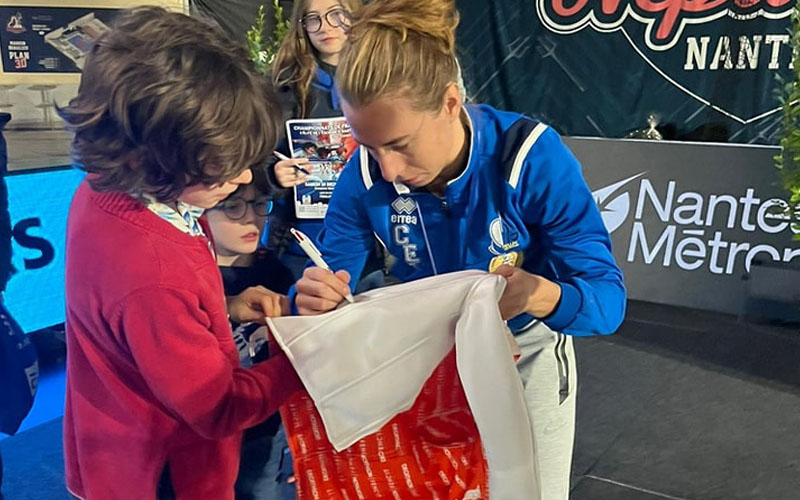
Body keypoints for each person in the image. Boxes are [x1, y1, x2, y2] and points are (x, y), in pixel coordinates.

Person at [292, 0, 627, 498]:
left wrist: (540, 296)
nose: (387, 171)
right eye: (368, 145)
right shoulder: (361, 175)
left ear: (451, 102)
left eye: (401, 144)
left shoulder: (528, 157)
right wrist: (315, 296)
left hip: (524, 353)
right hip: (420, 360)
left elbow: (607, 303)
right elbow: (327, 277)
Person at [59, 8, 303, 499]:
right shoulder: (152, 275)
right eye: (220, 170)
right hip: (166, 472)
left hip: (117, 442)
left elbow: (138, 327)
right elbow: (216, 408)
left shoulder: (106, 188)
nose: (239, 181)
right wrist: (305, 361)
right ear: (155, 156)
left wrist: (221, 310)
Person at [266, 0, 385, 290]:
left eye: (336, 14)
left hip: (377, 232)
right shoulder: (283, 89)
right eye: (313, 19)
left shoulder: (384, 77)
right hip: (307, 237)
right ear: (302, 26)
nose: (325, 27)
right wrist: (274, 174)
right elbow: (254, 154)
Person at [205, 169, 295, 500]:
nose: (251, 219)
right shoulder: (192, 278)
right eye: (233, 207)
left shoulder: (276, 272)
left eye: (259, 204)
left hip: (269, 427)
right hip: (213, 432)